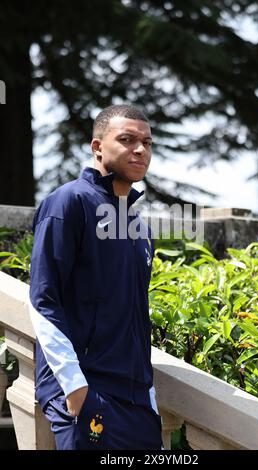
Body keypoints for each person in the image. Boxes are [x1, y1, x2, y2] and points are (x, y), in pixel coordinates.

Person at [29, 104, 163, 450]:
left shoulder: (139, 228)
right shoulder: (67, 203)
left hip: (136, 404)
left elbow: (137, 318)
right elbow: (44, 299)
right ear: (97, 146)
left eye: (147, 142)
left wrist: (148, 397)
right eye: (127, 139)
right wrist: (75, 388)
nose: (140, 149)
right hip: (87, 394)